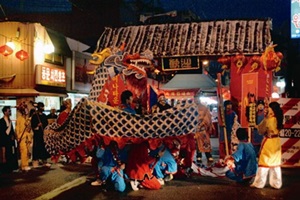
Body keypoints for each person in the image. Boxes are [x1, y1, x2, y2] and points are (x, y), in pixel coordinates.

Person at [250, 101, 283, 189]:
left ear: (272, 109)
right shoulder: (279, 119)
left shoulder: (268, 119)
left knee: (264, 163)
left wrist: (256, 126)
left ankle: (259, 183)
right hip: (276, 142)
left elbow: (261, 130)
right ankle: (277, 183)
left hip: (269, 142)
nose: (268, 108)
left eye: (269, 107)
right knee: (275, 164)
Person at [31, 102, 51, 168]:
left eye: (43, 107)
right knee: (37, 147)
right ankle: (35, 161)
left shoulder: (44, 116)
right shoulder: (35, 116)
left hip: (43, 134)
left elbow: (47, 124)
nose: (43, 108)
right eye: (41, 107)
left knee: (43, 148)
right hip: (37, 135)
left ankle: (44, 160)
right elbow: (32, 125)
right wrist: (37, 125)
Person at [0, 106, 19, 173]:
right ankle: (6, 168)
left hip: (11, 140)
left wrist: (15, 137)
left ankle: (12, 167)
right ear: (5, 112)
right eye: (9, 111)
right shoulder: (1, 121)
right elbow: (2, 132)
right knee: (6, 154)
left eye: (10, 111)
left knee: (12, 153)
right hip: (5, 140)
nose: (10, 112)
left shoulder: (9, 120)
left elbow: (12, 130)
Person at [15, 102, 33, 171]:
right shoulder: (19, 119)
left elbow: (29, 128)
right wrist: (18, 138)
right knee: (24, 151)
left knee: (27, 151)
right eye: (25, 109)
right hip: (22, 137)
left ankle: (26, 164)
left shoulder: (27, 118)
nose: (27, 110)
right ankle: (24, 165)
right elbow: (17, 130)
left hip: (27, 136)